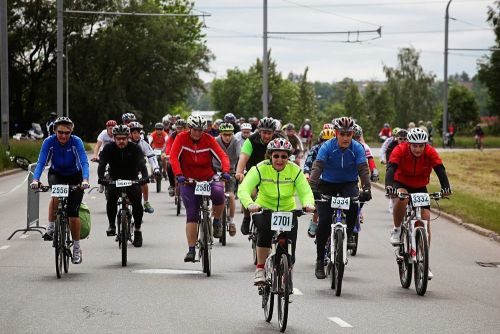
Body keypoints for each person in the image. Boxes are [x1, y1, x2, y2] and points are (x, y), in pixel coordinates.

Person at [238, 138, 315, 284]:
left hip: (288, 210)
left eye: (284, 156)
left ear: (288, 157)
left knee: (290, 242)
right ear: (270, 156)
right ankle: (260, 269)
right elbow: (244, 188)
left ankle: (288, 270)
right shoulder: (260, 168)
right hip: (264, 208)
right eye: (276, 156)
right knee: (265, 234)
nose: (280, 160)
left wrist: (308, 204)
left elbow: (305, 191)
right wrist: (250, 204)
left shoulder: (295, 170)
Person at [308, 117, 372, 279]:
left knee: (353, 210)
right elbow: (317, 166)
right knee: (323, 222)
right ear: (336, 133)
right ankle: (320, 260)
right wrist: (313, 186)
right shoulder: (327, 147)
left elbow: (363, 169)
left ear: (352, 134)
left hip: (348, 184)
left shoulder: (357, 148)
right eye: (342, 134)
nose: (345, 138)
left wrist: (366, 188)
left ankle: (346, 238)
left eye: (348, 134)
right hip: (327, 184)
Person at [385, 127, 451, 279]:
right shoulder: (400, 150)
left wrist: (445, 187)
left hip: (420, 186)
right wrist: (389, 186)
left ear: (425, 145)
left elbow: (440, 169)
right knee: (403, 198)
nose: (418, 149)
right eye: (414, 145)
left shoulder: (430, 151)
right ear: (409, 144)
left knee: (426, 220)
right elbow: (391, 168)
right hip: (400, 181)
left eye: (421, 145)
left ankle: (424, 261)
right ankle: (396, 229)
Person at [170, 115, 231, 262]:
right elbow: (173, 157)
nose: (197, 133)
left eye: (200, 130)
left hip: (207, 177)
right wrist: (179, 174)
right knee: (192, 214)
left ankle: (216, 221)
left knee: (219, 193)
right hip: (189, 180)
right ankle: (191, 250)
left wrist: (226, 171)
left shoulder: (208, 139)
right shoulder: (181, 138)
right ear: (189, 129)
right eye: (195, 130)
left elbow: (222, 156)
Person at [30, 117, 90, 264]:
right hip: (56, 174)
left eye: (67, 133)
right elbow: (41, 162)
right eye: (60, 132)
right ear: (55, 131)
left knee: (73, 215)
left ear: (71, 132)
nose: (63, 136)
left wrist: (85, 180)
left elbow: (83, 161)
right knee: (55, 195)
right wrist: (36, 179)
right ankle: (50, 228)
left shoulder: (76, 142)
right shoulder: (49, 142)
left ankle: (76, 248)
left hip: (75, 177)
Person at [98, 125, 149, 247]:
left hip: (131, 178)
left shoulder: (135, 148)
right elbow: (102, 163)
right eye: (118, 138)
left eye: (124, 138)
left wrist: (145, 177)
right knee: (111, 199)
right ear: (114, 138)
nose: (121, 141)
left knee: (137, 203)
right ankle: (111, 225)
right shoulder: (109, 148)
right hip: (114, 178)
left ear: (128, 138)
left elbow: (141, 163)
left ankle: (137, 230)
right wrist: (101, 178)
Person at [235, 117, 281, 235]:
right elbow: (243, 157)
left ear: (274, 133)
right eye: (264, 133)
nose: (266, 136)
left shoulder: (279, 140)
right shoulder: (250, 141)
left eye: (269, 133)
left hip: (272, 173)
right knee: (251, 194)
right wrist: (239, 172)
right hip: (253, 173)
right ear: (259, 131)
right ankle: (246, 217)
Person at [303, 129, 335, 237]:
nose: (326, 143)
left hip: (335, 180)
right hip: (318, 178)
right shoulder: (315, 149)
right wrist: (307, 174)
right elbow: (307, 163)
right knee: (318, 200)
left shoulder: (339, 150)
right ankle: (314, 221)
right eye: (324, 141)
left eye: (330, 141)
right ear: (319, 141)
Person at [213, 123, 240, 236]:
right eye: (225, 135)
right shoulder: (215, 141)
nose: (228, 137)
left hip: (231, 171)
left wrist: (240, 171)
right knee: (216, 195)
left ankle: (232, 221)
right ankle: (216, 220)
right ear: (221, 134)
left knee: (231, 195)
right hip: (216, 170)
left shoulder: (236, 142)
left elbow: (240, 155)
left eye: (230, 134)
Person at [129, 122, 160, 213]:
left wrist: (156, 168)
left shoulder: (144, 144)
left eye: (138, 133)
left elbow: (151, 156)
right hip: (126, 169)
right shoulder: (125, 143)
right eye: (134, 133)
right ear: (130, 134)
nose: (137, 135)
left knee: (144, 183)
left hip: (139, 168)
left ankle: (146, 202)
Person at [164, 118, 187, 196]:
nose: (179, 130)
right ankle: (172, 185)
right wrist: (168, 154)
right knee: (169, 166)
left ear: (185, 128)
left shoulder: (189, 135)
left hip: (186, 157)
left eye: (181, 128)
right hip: (175, 157)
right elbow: (168, 146)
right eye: (177, 128)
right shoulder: (173, 135)